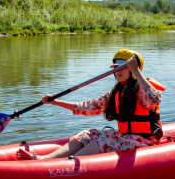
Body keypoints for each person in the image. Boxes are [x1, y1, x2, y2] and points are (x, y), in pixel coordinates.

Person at [16, 49, 163, 159]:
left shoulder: (144, 90)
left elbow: (154, 99)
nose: (117, 71)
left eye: (123, 68)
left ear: (133, 70)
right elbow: (87, 108)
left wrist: (136, 71)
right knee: (88, 134)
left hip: (145, 142)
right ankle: (46, 159)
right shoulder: (115, 94)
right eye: (115, 68)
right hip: (126, 139)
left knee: (106, 137)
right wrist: (55, 102)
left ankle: (69, 164)